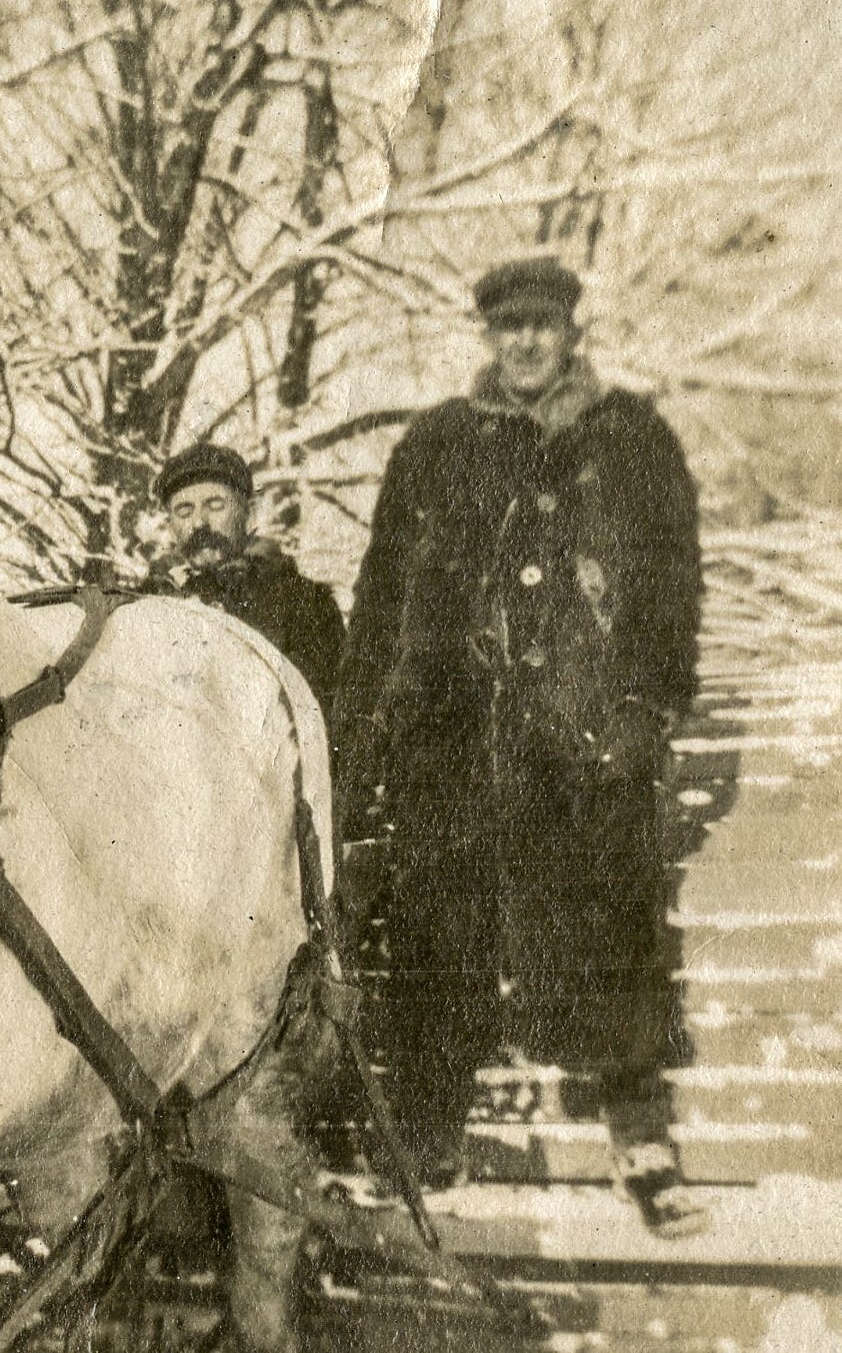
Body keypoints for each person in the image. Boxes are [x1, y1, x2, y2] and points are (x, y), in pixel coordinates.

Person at [333, 256, 705, 1234]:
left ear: (569, 333)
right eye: (508, 329)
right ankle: (423, 1136)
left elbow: (672, 593)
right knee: (433, 926)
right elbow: (380, 596)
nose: (525, 343)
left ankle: (640, 1136)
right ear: (487, 338)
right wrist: (365, 731)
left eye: (541, 326)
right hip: (453, 735)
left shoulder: (629, 440)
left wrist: (644, 712)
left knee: (617, 912)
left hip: (584, 735)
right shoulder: (436, 444)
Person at [144, 443, 346, 720]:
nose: (199, 523)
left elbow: (320, 722)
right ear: (170, 526)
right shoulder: (145, 608)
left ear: (248, 514)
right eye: (184, 510)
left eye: (215, 505)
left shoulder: (304, 604)